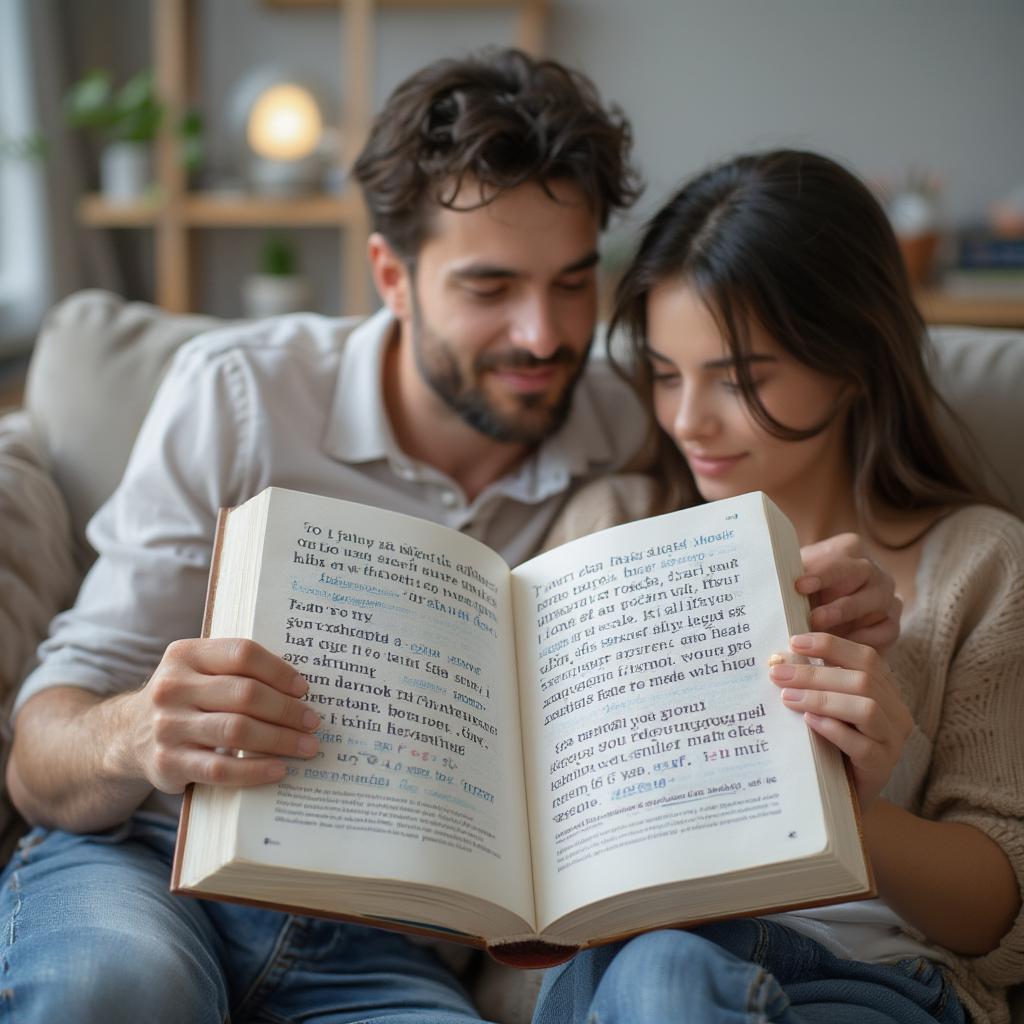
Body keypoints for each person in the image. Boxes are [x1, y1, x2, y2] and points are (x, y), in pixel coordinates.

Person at [0, 47, 899, 1024]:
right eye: (488, 287)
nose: (544, 334)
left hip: (394, 936)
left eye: (570, 282)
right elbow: (37, 756)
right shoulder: (239, 395)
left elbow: (801, 476)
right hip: (146, 859)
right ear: (391, 274)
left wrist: (838, 585)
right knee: (119, 986)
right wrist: (132, 732)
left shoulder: (637, 419)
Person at [535, 149, 1024, 1024]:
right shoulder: (610, 525)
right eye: (664, 373)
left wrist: (847, 804)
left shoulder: (981, 566)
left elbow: (1000, 914)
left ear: (851, 359)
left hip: (868, 981)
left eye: (740, 378)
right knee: (659, 971)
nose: (689, 421)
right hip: (627, 971)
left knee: (664, 980)